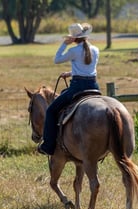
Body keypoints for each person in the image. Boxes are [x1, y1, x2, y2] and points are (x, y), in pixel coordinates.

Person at [38, 23, 100, 155]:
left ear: (74, 38)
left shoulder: (73, 51)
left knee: (51, 110)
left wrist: (65, 44)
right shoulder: (95, 50)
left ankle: (48, 145)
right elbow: (87, 69)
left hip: (77, 87)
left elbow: (57, 59)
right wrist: (71, 72)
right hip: (94, 86)